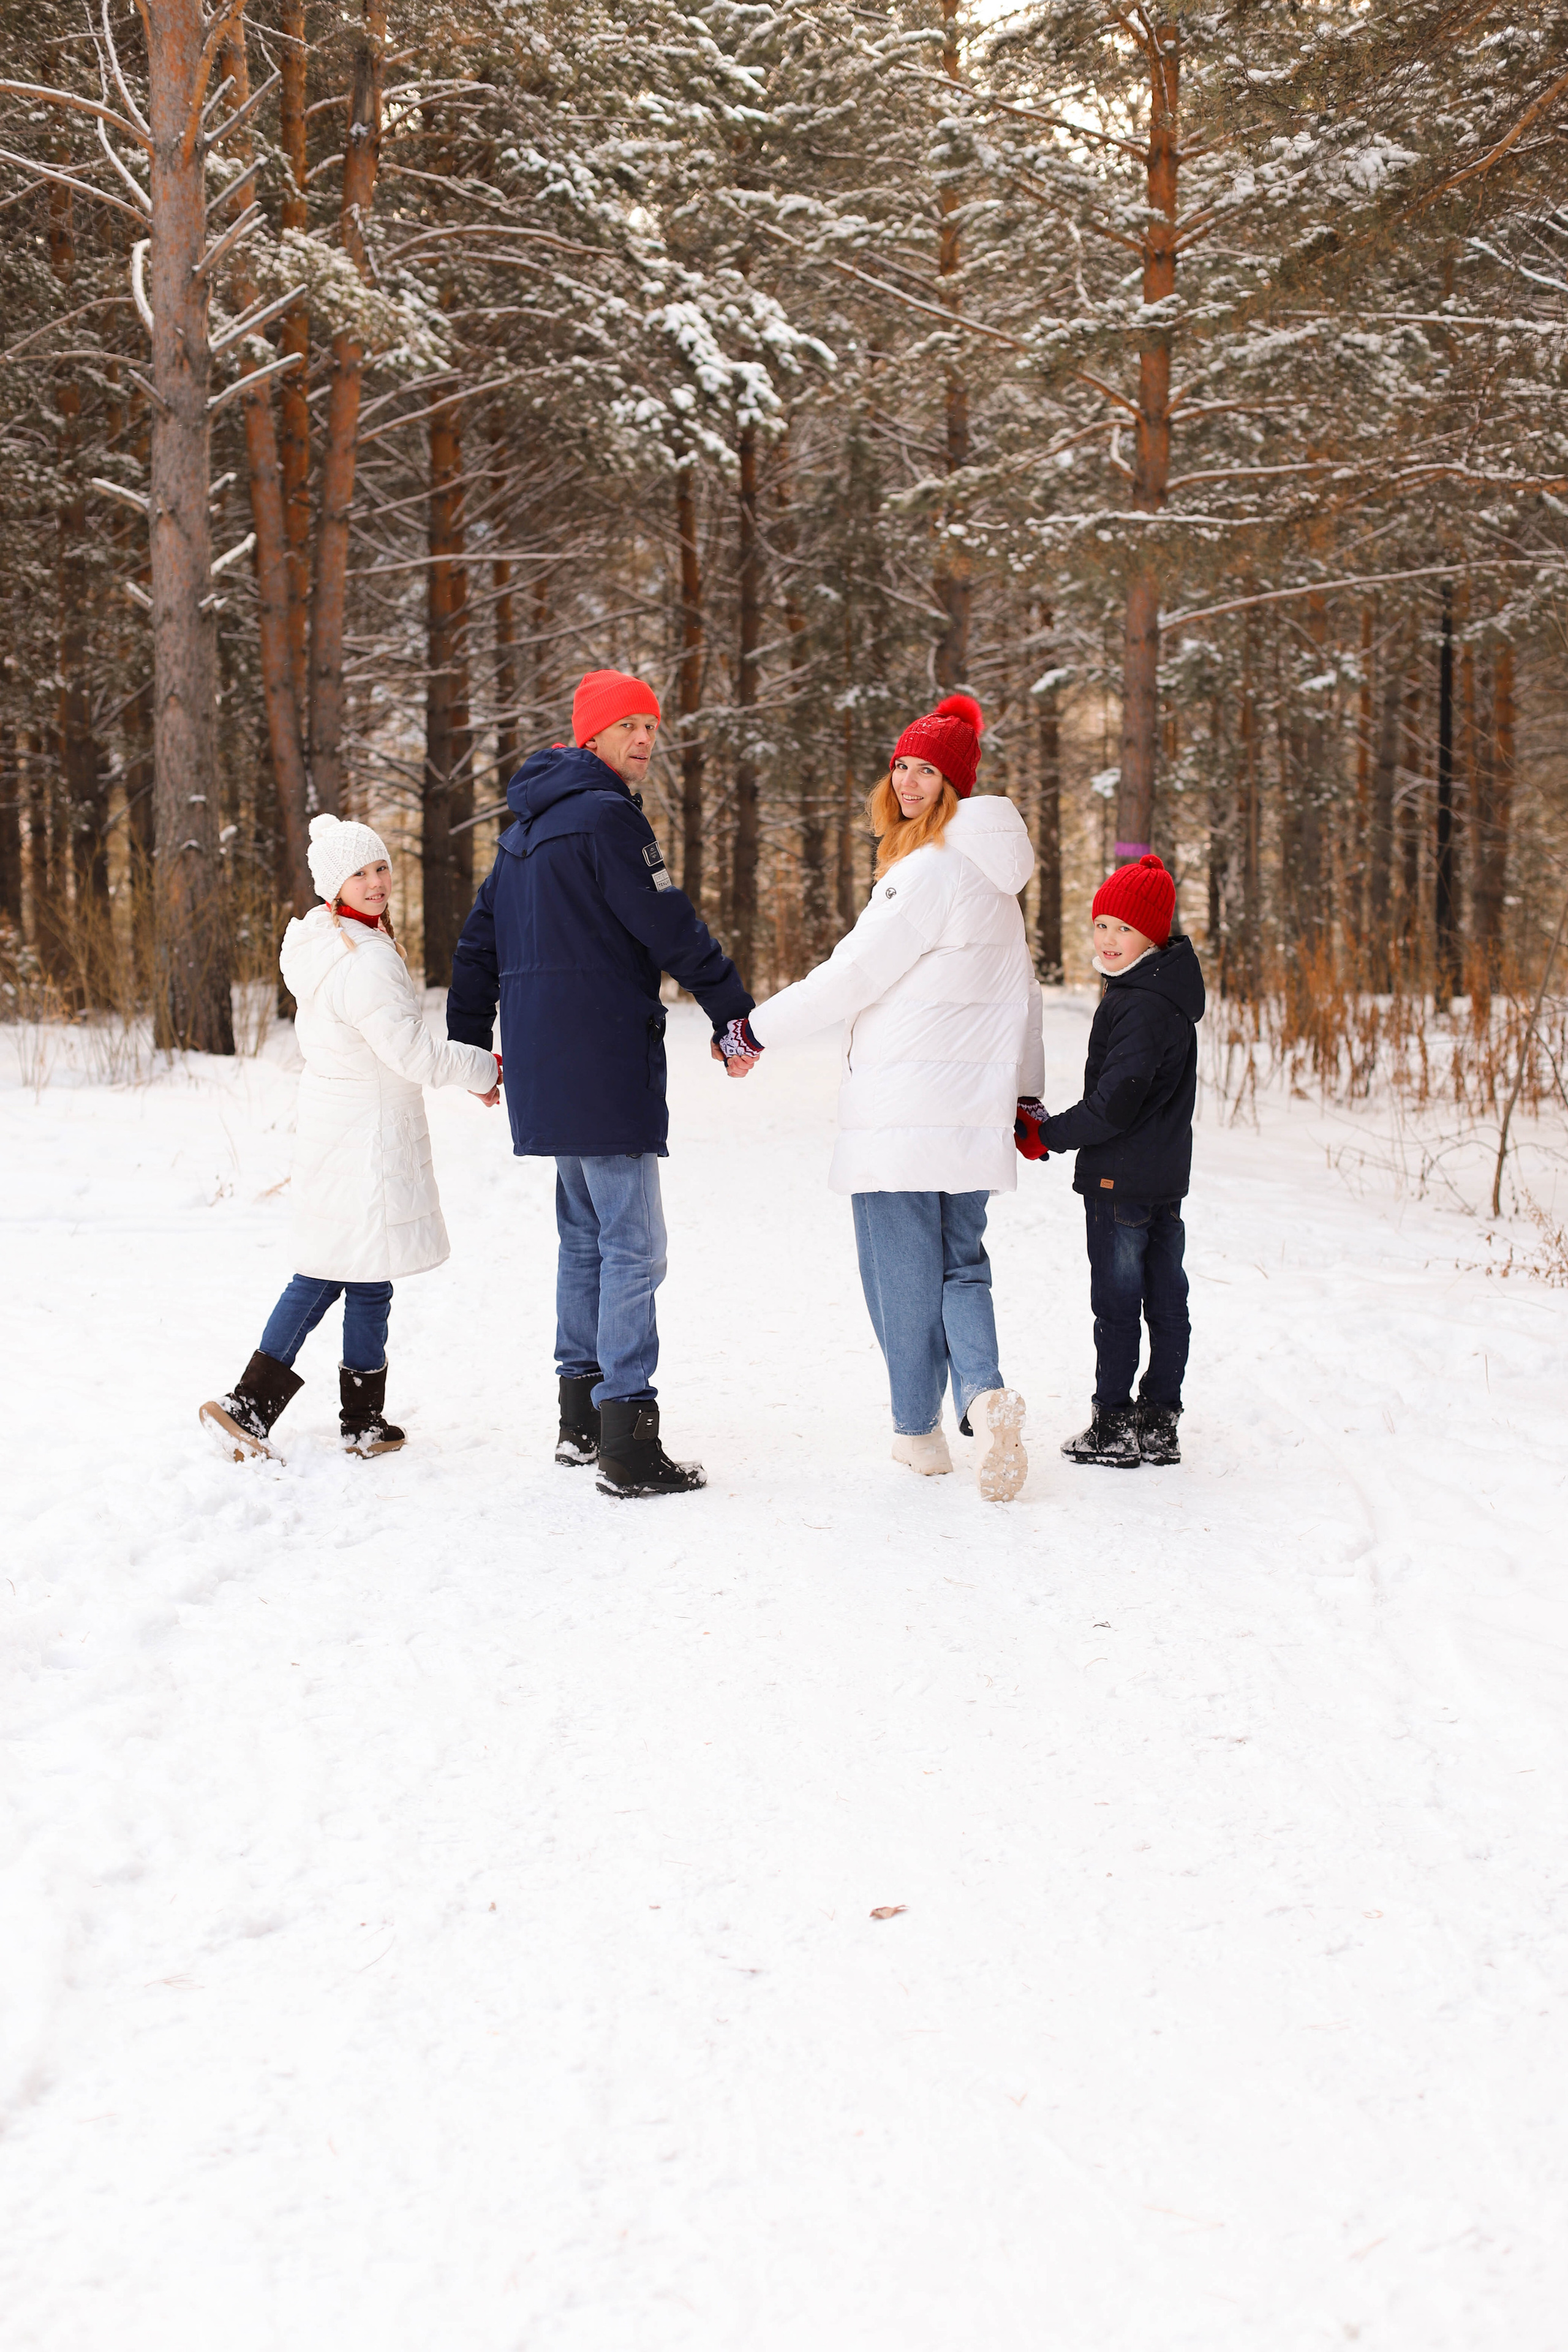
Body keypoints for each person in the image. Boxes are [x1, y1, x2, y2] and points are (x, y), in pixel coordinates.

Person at [447, 668, 755, 1499]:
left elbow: (476, 947)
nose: (645, 739)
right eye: (629, 726)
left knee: (585, 1239)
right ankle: (628, 1438)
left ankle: (579, 1420)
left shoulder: (521, 833)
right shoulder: (609, 820)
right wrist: (731, 1010)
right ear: (591, 736)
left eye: (652, 726)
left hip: (548, 1067)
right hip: (605, 1059)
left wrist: (472, 1046)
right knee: (633, 1247)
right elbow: (669, 925)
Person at [729, 695, 1041, 1502]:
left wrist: (754, 1030)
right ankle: (985, 1397)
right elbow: (1025, 997)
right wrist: (1026, 1097)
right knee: (962, 1266)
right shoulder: (994, 883)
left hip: (902, 1113)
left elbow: (853, 974)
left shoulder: (931, 870)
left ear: (954, 785)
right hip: (971, 1114)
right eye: (900, 765)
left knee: (900, 1273)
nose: (906, 781)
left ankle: (919, 1435)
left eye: (926, 770)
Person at [200, 813, 500, 1463]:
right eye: (359, 873)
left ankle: (363, 1421)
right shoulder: (364, 958)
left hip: (342, 1124)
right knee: (326, 1271)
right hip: (367, 1134)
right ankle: (248, 1404)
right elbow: (412, 1053)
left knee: (367, 1273)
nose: (375, 882)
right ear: (334, 885)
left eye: (381, 867)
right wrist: (484, 1069)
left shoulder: (330, 940)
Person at [1015, 851, 1204, 1468]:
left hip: (1120, 1180)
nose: (1108, 939)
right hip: (1162, 1177)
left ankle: (1115, 1425)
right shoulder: (1164, 992)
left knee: (1120, 1304)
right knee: (1165, 1298)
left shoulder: (1139, 1002)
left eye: (1125, 927)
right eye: (1101, 924)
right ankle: (1159, 1422)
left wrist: (1049, 1135)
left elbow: (1116, 1102)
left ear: (1155, 935)